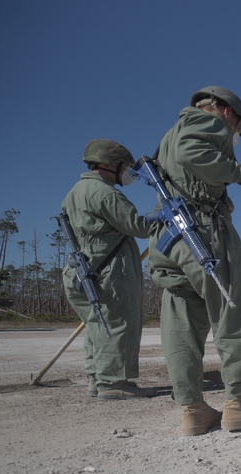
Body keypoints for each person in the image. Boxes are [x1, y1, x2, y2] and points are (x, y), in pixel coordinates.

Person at [146, 86, 241, 436]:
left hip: (168, 237)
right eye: (238, 127)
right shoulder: (207, 124)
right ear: (227, 112)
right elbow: (195, 156)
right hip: (202, 232)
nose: (235, 135)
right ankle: (239, 404)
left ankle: (192, 410)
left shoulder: (171, 133)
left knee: (181, 321)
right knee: (233, 310)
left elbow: (183, 158)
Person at [62, 139, 156, 400]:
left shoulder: (75, 191)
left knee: (97, 326)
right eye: (124, 166)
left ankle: (96, 379)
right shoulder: (106, 193)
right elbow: (138, 227)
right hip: (107, 271)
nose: (128, 173)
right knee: (116, 324)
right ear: (109, 165)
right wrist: (160, 214)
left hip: (82, 270)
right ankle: (113, 383)